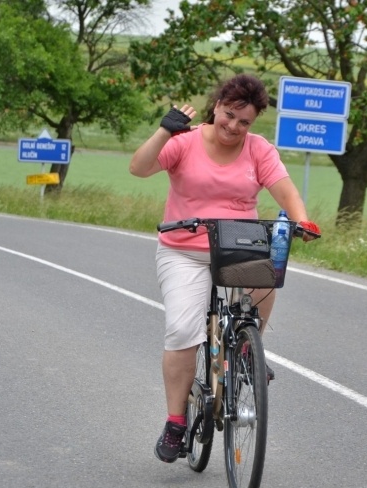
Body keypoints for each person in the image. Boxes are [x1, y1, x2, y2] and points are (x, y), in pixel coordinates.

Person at [129, 74, 320, 463]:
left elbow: (284, 190)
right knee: (184, 329)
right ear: (216, 106)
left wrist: (303, 221)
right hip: (184, 249)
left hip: (236, 245)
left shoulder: (259, 150)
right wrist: (164, 132)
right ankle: (176, 421)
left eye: (244, 121)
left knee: (269, 274)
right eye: (229, 115)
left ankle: (249, 349)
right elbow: (139, 167)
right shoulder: (184, 140)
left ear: (253, 123)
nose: (234, 126)